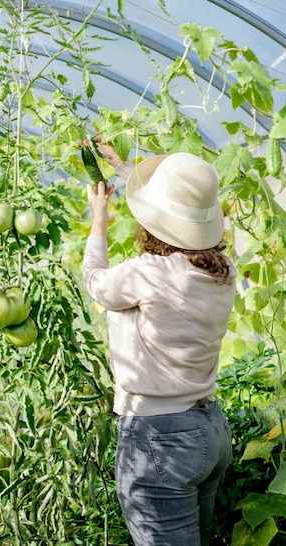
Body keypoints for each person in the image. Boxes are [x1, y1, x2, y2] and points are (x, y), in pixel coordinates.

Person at [82, 140, 236, 546]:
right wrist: (121, 168)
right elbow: (176, 211)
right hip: (209, 432)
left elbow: (96, 281)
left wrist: (99, 217)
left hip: (159, 438)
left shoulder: (149, 272)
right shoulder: (224, 272)